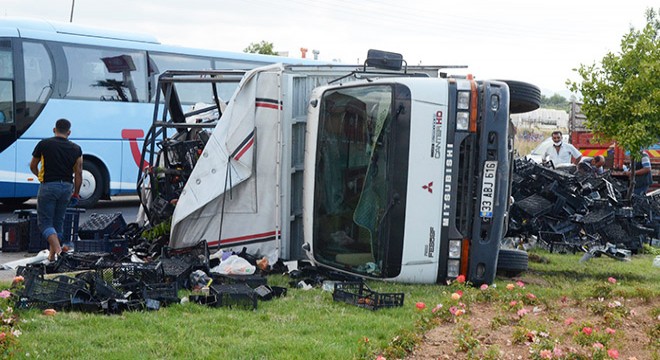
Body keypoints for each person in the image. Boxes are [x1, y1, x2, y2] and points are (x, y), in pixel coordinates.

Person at [29, 119, 83, 262]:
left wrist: (39, 176)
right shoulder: (76, 149)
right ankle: (51, 257)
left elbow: (33, 165)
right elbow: (79, 173)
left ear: (54, 130)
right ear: (69, 132)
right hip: (66, 187)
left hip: (49, 186)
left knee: (45, 223)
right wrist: (76, 193)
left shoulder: (44, 144)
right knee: (58, 223)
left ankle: (58, 251)